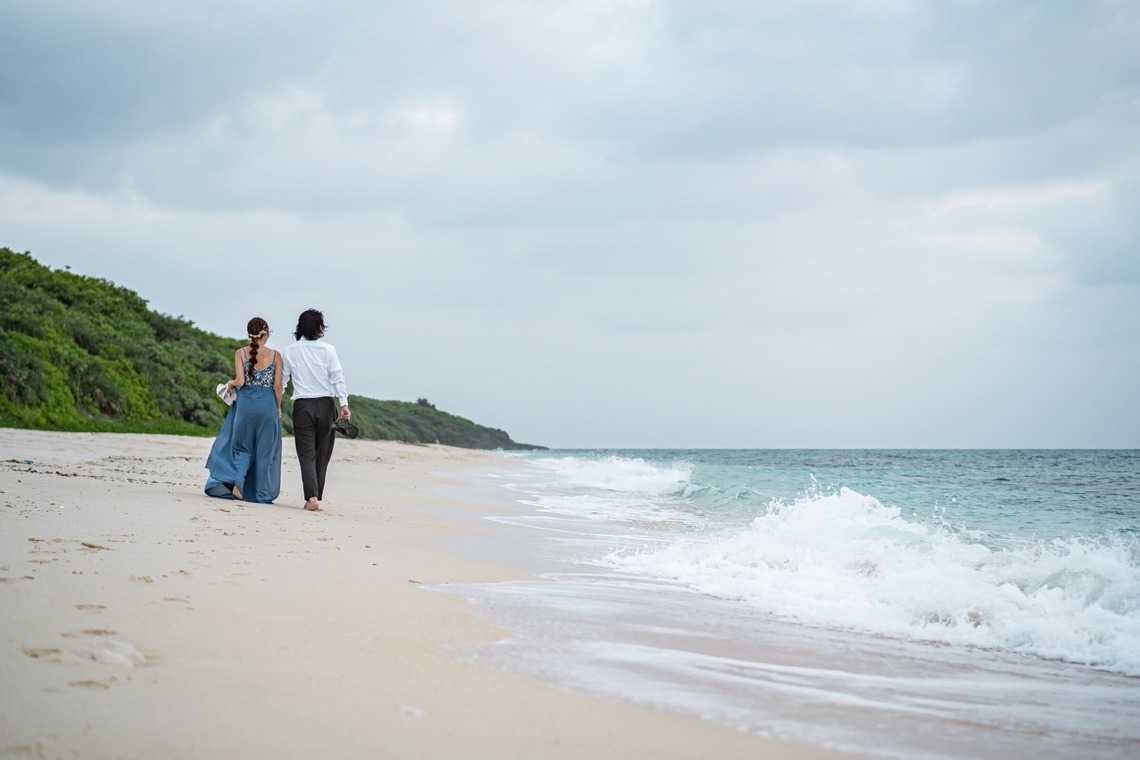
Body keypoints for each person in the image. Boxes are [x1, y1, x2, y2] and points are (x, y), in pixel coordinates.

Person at [204, 317, 283, 503]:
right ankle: (261, 495)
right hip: (267, 407)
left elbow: (240, 382)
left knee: (242, 449)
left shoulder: (240, 352)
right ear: (267, 333)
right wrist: (277, 408)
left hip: (246, 407)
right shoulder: (276, 356)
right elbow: (277, 387)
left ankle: (238, 484)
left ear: (249, 334)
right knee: (264, 452)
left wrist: (230, 384)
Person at [281, 308, 350, 512]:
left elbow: (283, 382)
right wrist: (344, 403)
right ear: (319, 327)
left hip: (303, 406)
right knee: (323, 454)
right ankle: (315, 495)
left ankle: (312, 497)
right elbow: (338, 377)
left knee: (306, 454)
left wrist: (274, 403)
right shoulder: (328, 350)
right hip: (327, 405)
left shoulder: (290, 350)